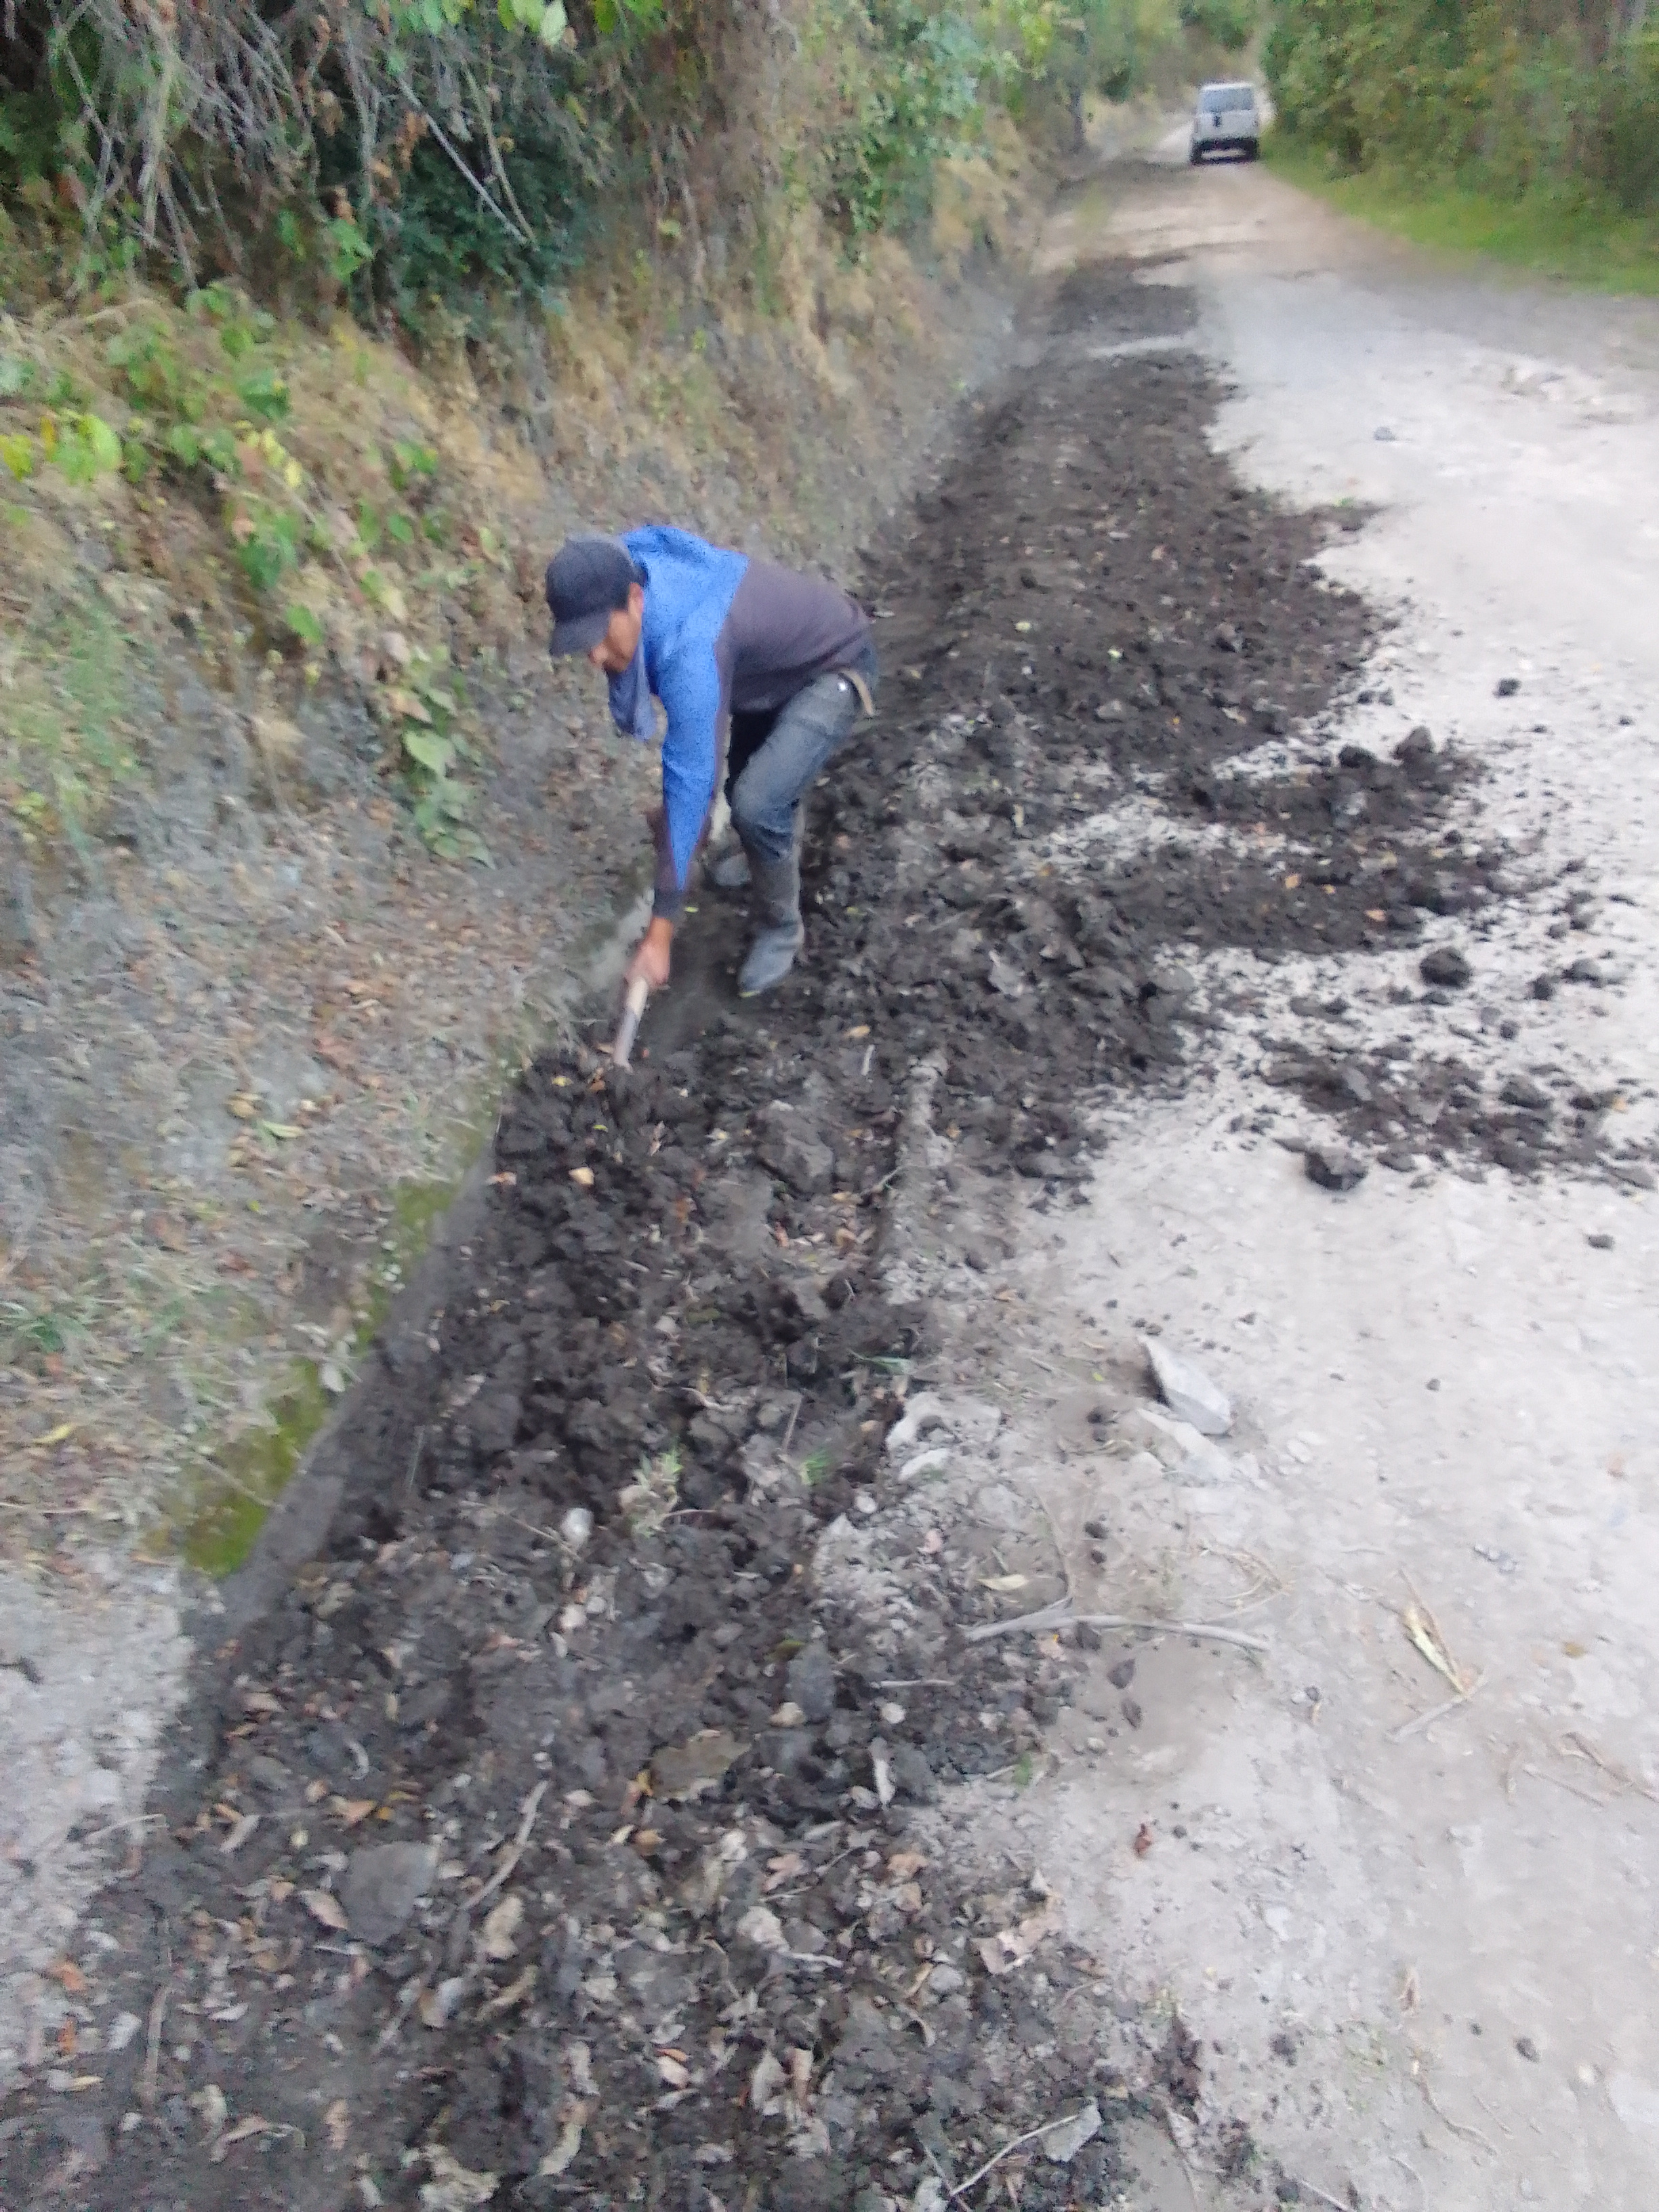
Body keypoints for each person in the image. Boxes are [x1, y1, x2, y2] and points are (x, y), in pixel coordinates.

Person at [545, 527, 877, 998]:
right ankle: (765, 854)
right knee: (746, 787)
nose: (595, 656)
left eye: (600, 635)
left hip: (833, 664)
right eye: (584, 644)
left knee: (757, 804)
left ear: (635, 600)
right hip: (767, 669)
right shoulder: (622, 565)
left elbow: (692, 781)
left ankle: (782, 927)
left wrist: (659, 937)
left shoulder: (689, 649)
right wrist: (684, 824)